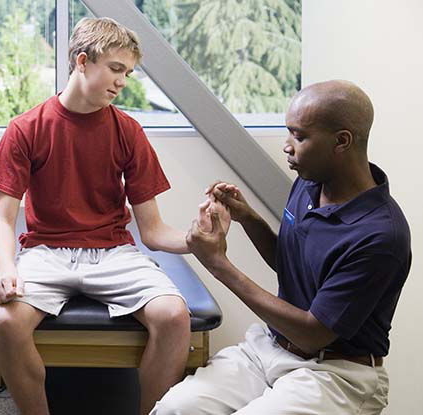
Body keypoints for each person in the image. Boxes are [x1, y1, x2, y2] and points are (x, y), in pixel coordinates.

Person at [0, 17, 228, 415]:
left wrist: (195, 239)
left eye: (127, 73)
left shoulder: (128, 131)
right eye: (116, 69)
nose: (122, 82)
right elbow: (2, 218)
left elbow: (151, 230)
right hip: (47, 252)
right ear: (82, 62)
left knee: (173, 315)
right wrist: (6, 268)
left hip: (113, 253)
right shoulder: (26, 128)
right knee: (6, 322)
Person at [151, 80, 411, 415]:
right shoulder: (308, 184)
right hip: (270, 349)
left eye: (299, 136)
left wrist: (219, 265)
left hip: (336, 373)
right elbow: (293, 264)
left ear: (341, 141)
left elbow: (313, 333)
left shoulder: (379, 236)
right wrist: (248, 218)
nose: (287, 146)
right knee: (176, 408)